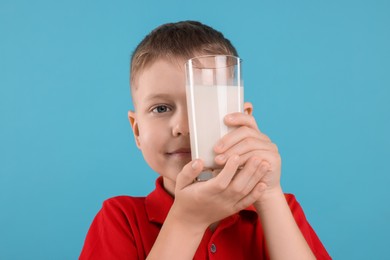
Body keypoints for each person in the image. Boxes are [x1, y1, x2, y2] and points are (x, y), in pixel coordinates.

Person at [80, 20, 331, 260]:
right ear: (136, 131)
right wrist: (187, 220)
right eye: (161, 108)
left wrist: (268, 194)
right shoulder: (119, 219)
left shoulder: (280, 207)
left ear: (243, 121)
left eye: (203, 106)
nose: (183, 127)